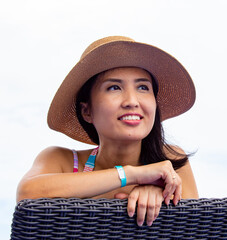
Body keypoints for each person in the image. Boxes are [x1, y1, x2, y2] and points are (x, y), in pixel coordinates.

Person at [16, 36, 198, 227]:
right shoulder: (61, 160)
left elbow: (192, 227)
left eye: (143, 87)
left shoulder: (170, 162)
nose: (132, 101)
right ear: (87, 111)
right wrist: (131, 175)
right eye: (114, 87)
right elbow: (27, 193)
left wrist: (161, 195)